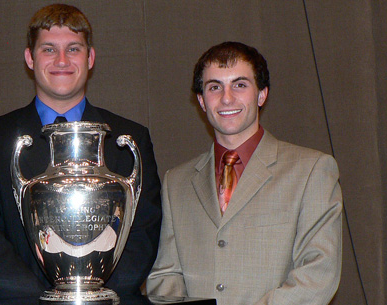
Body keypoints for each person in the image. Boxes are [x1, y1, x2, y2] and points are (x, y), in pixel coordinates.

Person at [0, 3, 162, 300]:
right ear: (30, 57)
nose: (62, 60)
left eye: (74, 49)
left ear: (90, 58)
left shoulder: (129, 138)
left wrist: (94, 299)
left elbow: (143, 234)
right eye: (49, 49)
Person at [146, 41, 342, 304]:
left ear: (261, 94)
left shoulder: (311, 170)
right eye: (215, 87)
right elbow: (165, 276)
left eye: (240, 84)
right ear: (202, 101)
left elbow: (318, 274)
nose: (227, 98)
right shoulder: (176, 183)